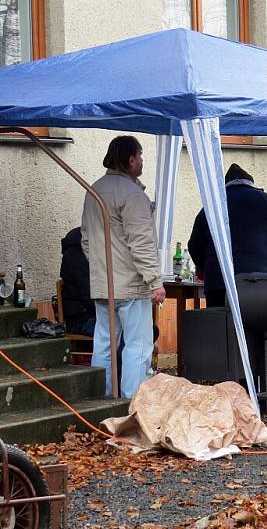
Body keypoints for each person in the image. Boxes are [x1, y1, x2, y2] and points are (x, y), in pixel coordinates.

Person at [81, 135, 165, 399]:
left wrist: (103, 268)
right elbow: (141, 242)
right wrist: (155, 281)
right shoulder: (132, 194)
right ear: (131, 160)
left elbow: (86, 240)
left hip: (103, 283)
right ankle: (131, 405)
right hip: (131, 285)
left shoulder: (94, 190)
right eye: (140, 157)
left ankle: (101, 403)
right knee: (138, 347)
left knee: (104, 345)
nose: (142, 162)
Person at [189, 163, 267, 308]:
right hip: (259, 282)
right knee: (258, 327)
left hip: (219, 281)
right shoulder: (264, 200)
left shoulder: (212, 206)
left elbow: (194, 246)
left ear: (225, 186)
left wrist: (208, 267)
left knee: (221, 327)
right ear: (250, 184)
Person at [60, 227, 95, 336]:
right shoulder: (77, 255)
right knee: (125, 330)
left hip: (86, 315)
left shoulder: (79, 252)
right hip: (81, 320)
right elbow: (88, 293)